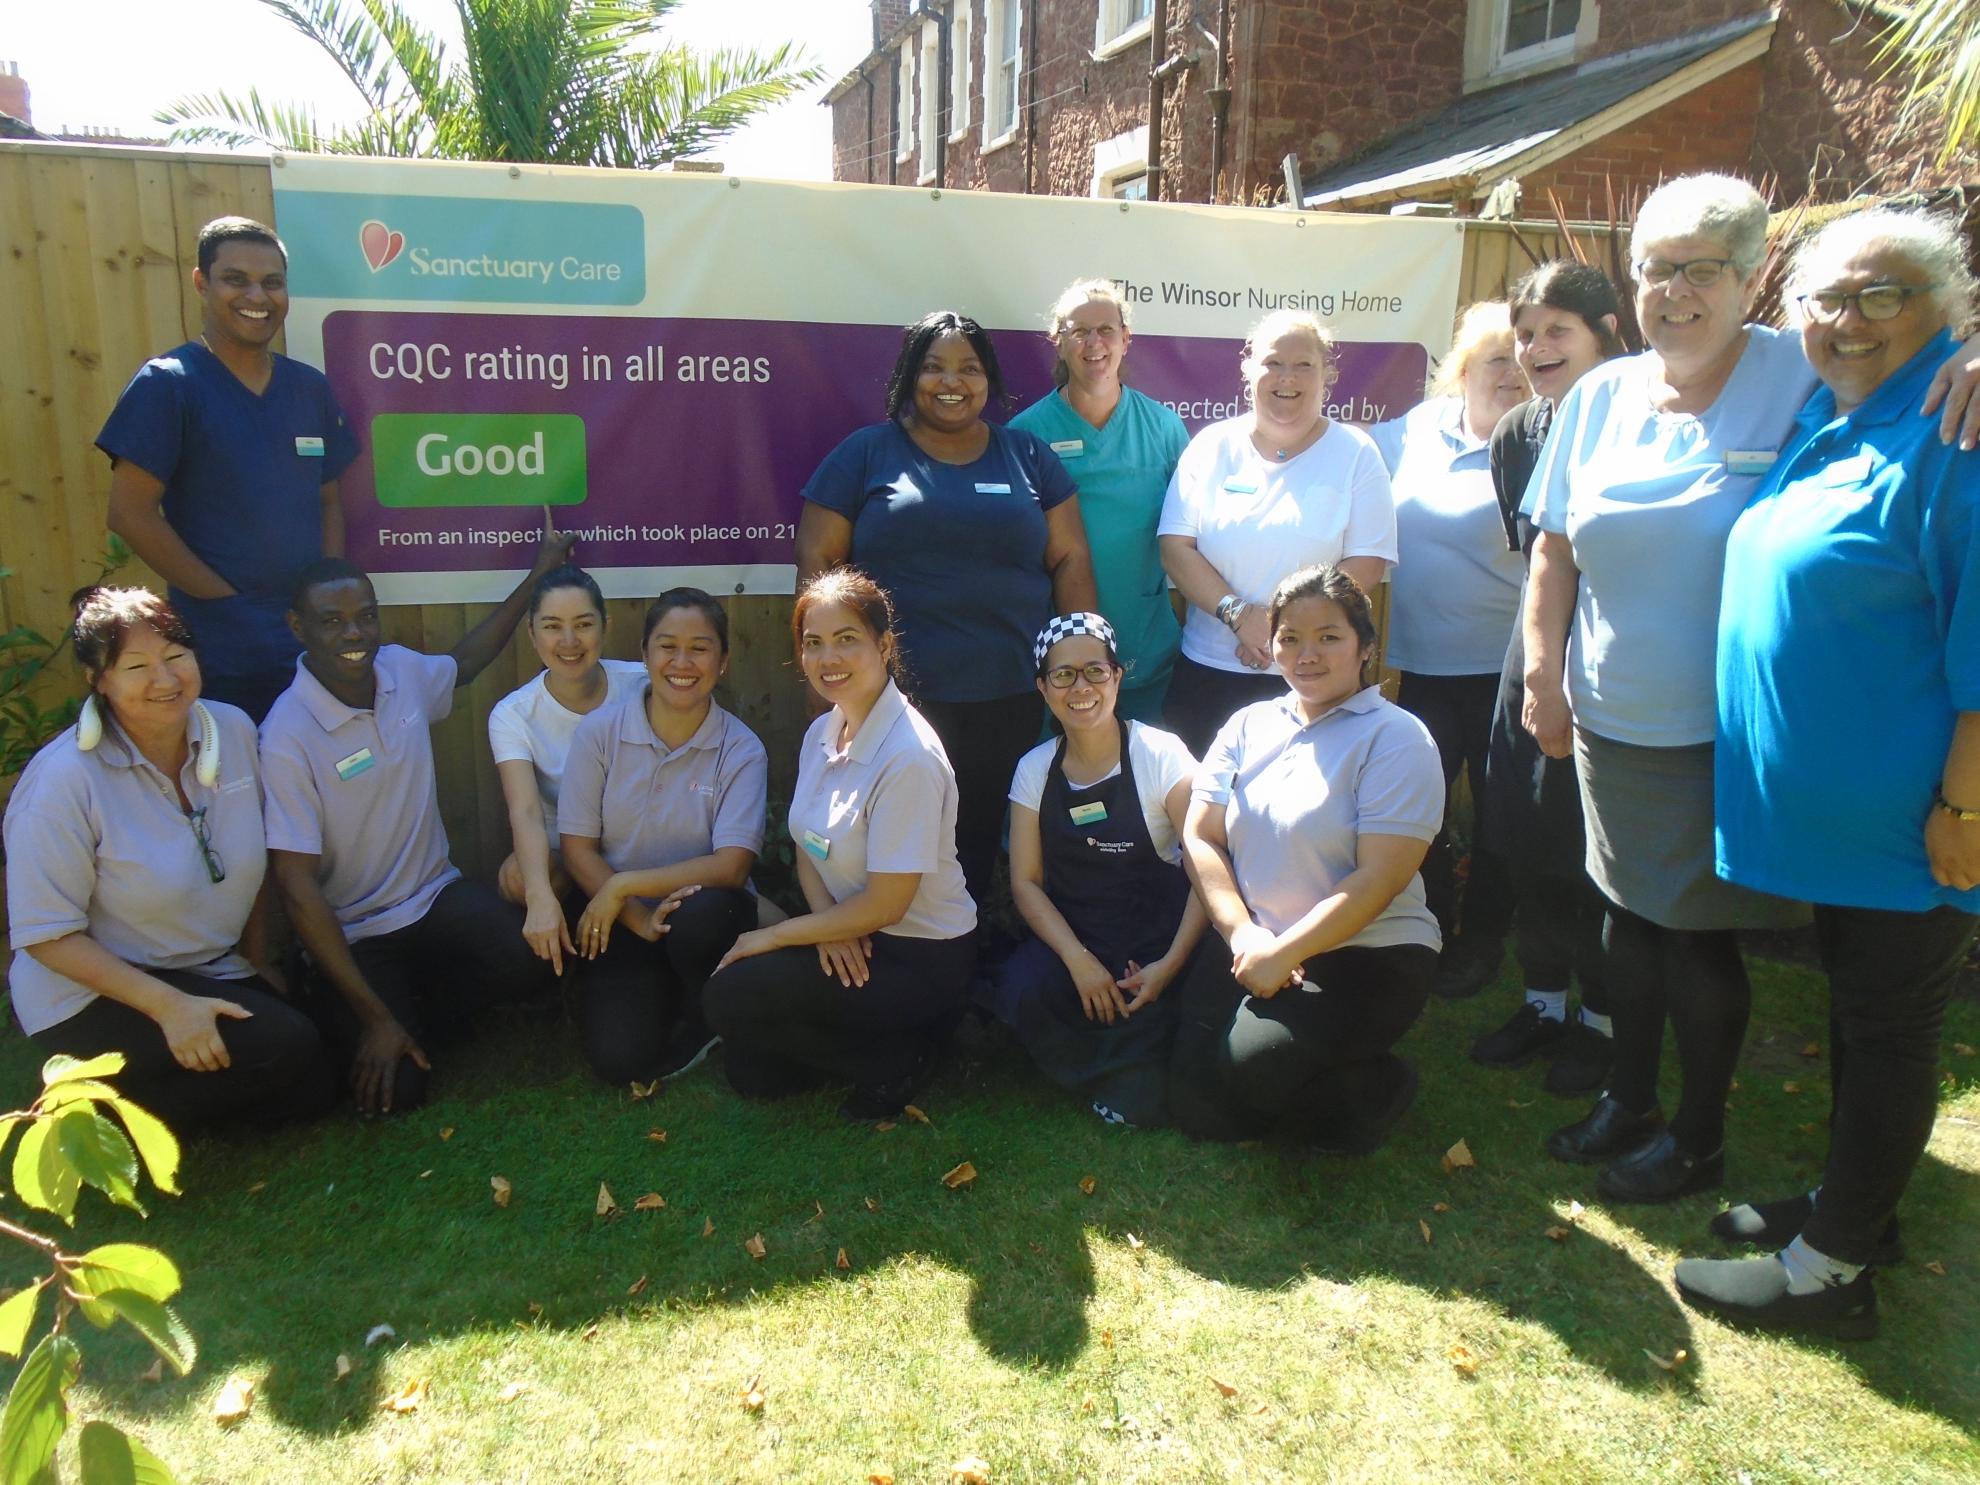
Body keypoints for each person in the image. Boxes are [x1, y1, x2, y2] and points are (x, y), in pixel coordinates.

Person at [1521, 173, 1980, 1203]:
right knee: (1626, 918)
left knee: (1694, 939)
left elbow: (1917, 378)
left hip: (1721, 732)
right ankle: (1628, 1100)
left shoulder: (1806, 371)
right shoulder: (1598, 394)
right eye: (1653, 270)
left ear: (1751, 275)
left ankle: (1696, 1140)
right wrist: (1544, 671)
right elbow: (1554, 548)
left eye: (1701, 270)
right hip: (1608, 715)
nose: (1673, 292)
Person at [1673, 208, 1980, 1339]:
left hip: (1918, 818)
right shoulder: (1835, 411)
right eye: (1823, 300)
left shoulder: (1959, 435)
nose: (1845, 322)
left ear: (1945, 306)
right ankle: (1862, 1208)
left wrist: (1966, 804)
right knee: (1860, 1016)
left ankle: (1833, 1274)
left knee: (1894, 1026)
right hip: (1848, 824)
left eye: (1880, 296)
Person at [261, 517, 574, 1115]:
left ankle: (416, 1015)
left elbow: (467, 662)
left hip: (434, 899)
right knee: (399, 1095)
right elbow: (295, 887)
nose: (354, 633)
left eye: (366, 616)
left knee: (533, 961)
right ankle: (371, 1011)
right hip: (357, 932)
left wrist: (540, 573)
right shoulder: (286, 735)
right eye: (332, 622)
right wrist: (375, 1019)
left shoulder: (400, 673)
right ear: (298, 628)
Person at [795, 310, 1098, 906]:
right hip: (893, 698)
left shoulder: (1028, 457)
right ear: (909, 377)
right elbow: (817, 570)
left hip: (1006, 693)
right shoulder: (865, 454)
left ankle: (966, 954)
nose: (951, 381)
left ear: (989, 379)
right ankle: (877, 945)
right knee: (888, 836)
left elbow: (1070, 559)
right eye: (933, 368)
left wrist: (1081, 655)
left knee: (980, 834)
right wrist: (824, 685)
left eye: (969, 367)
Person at [4, 587, 335, 1129]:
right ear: (98, 680)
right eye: (136, 666)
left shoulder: (232, 730)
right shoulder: (62, 781)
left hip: (205, 968)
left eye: (176, 657)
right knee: (290, 1050)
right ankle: (95, 1117)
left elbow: (249, 863)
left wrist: (256, 962)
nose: (165, 679)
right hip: (93, 993)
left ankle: (127, 1093)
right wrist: (168, 1007)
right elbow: (45, 935)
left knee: (319, 1074)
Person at [1168, 565, 1443, 1152]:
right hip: (1255, 944)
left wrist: (1288, 951)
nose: (1306, 653)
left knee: (1255, 1075)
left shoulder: (1397, 737)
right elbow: (1201, 835)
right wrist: (1243, 935)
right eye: (1289, 637)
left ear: (1365, 647)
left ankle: (1380, 1085)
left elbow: (1382, 876)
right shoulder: (1247, 724)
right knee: (1198, 1108)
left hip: (1366, 954)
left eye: (1329, 636)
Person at [704, 569, 978, 1122]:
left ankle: (904, 1056)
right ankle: (877, 1048)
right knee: (753, 1075)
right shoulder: (824, 731)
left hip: (918, 955)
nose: (828, 657)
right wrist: (829, 926)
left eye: (846, 639)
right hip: (855, 932)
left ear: (883, 644)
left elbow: (887, 906)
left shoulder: (909, 758)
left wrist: (776, 937)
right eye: (813, 643)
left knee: (729, 994)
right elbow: (808, 844)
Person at [1469, 262, 1629, 1095]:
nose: (1535, 348)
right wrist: (1539, 671)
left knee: (1598, 853)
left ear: (1607, 330)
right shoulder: (1518, 434)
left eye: (1556, 330)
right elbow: (1534, 559)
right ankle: (1541, 1002)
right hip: (1531, 661)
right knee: (1531, 838)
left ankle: (1602, 1022)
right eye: (1525, 333)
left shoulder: (1650, 415)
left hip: (1619, 662)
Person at [99, 217, 359, 722]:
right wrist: (223, 600)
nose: (256, 295)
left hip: (310, 636)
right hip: (221, 641)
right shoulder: (169, 385)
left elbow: (329, 500)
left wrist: (323, 600)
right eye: (236, 279)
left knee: (315, 779)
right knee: (233, 779)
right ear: (202, 283)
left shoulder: (309, 389)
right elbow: (129, 514)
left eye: (272, 282)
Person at [1366, 301, 1529, 999]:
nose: (1514, 372)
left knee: (1501, 813)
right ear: (1462, 371)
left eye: (1524, 358)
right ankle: (1427, 923)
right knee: (1420, 809)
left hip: (1509, 668)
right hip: (1419, 665)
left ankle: (1483, 938)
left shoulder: (1546, 436)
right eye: (1497, 358)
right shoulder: (1414, 431)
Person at [989, 613, 1206, 1127]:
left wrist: (1169, 966)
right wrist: (1079, 961)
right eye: (1063, 675)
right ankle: (1123, 1072)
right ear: (1043, 688)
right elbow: (1026, 883)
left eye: (1094, 671)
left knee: (1184, 1006)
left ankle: (1120, 1068)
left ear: (1117, 676)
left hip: (1158, 948)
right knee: (1022, 988)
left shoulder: (1162, 755)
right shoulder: (1034, 769)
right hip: (1076, 943)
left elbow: (1208, 872)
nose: (1080, 687)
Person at [1158, 310, 1396, 756]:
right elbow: (1176, 547)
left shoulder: (1357, 454)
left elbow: (1366, 562)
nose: (1287, 377)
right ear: (1248, 369)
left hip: (1317, 678)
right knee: (1205, 814)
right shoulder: (1211, 446)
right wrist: (1238, 615)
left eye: (1304, 364)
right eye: (1272, 362)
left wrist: (1283, 633)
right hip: (1210, 673)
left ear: (1328, 374)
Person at [558, 588, 766, 1084]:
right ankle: (659, 999)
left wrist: (623, 884)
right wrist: (631, 913)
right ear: (645, 654)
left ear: (723, 661)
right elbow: (576, 849)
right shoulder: (598, 733)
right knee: (620, 1061)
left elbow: (733, 865)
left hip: (703, 918)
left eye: (700, 647)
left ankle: (705, 1008)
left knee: (707, 913)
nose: (682, 661)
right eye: (667, 645)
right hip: (624, 923)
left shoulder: (740, 748)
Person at [1009, 280, 1190, 722]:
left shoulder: (1164, 429)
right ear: (1059, 342)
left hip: (1145, 647)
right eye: (1079, 331)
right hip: (1059, 656)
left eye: (1106, 329)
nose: (1094, 343)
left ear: (1126, 339)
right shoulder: (1024, 435)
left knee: (1146, 779)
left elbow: (1191, 537)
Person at [487, 565, 646, 973]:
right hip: (563, 847)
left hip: (636, 843)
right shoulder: (513, 714)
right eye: (553, 626)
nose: (569, 641)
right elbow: (524, 811)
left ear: (605, 626)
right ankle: (557, 953)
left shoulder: (641, 685)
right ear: (532, 633)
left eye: (583, 624)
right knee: (517, 879)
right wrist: (540, 897)